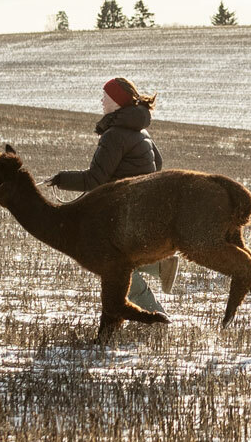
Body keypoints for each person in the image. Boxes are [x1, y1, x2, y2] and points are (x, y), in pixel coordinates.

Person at [49, 77, 168, 320]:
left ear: (117, 101)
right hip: (137, 209)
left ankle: (154, 313)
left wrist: (61, 179)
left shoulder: (115, 134)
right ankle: (158, 266)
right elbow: (159, 163)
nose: (101, 101)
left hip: (122, 214)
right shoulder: (140, 130)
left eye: (106, 96)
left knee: (111, 264)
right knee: (118, 262)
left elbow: (95, 178)